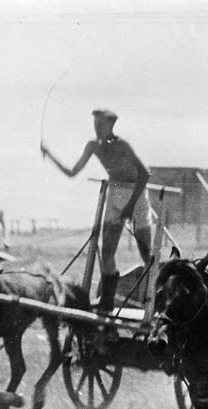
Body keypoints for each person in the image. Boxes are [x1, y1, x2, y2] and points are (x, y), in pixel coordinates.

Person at [41, 108, 152, 312]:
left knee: (147, 253)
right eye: (94, 124)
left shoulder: (123, 145)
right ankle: (106, 302)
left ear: (111, 125)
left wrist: (129, 207)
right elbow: (72, 172)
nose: (97, 128)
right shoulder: (93, 146)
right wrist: (49, 155)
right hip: (114, 192)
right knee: (107, 252)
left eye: (100, 125)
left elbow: (145, 174)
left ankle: (153, 300)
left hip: (137, 195)